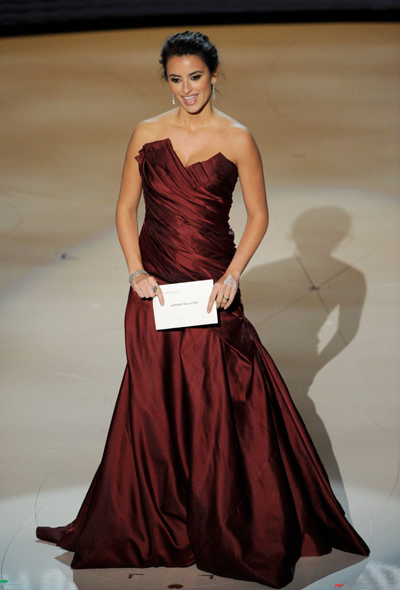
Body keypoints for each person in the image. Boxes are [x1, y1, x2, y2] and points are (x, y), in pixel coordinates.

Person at [36, 31, 369, 588]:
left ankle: (228, 521)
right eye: (175, 78)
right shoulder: (146, 133)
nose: (186, 88)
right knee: (154, 399)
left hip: (213, 289)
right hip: (156, 290)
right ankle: (160, 520)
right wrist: (136, 270)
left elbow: (258, 214)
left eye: (195, 77)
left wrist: (233, 274)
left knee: (222, 398)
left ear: (215, 76)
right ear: (165, 81)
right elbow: (124, 208)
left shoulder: (237, 138)